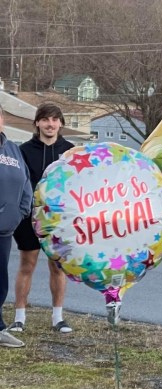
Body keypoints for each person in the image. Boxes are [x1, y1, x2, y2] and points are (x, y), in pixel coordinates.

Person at [9, 103, 75, 334]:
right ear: (37, 123)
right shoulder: (24, 150)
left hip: (59, 220)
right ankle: (19, 317)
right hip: (29, 217)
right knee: (27, 265)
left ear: (61, 123)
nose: (50, 124)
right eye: (45, 119)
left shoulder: (70, 151)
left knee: (57, 268)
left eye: (55, 120)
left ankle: (58, 318)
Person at [0, 105, 31, 348]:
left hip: (5, 229)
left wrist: (20, 212)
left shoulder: (12, 150)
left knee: (1, 281)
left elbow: (26, 183)